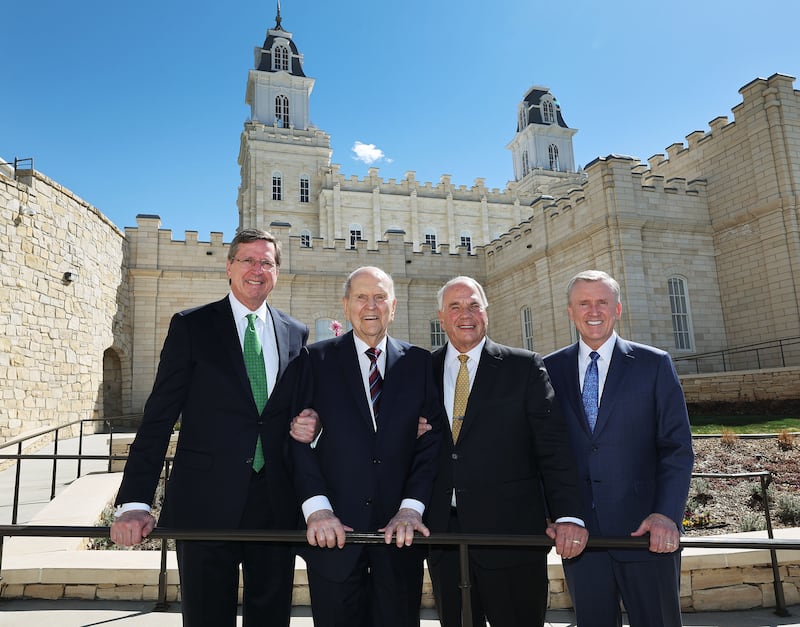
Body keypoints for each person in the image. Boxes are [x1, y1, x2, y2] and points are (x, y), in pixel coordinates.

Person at [110, 228, 317, 627]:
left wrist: (314, 420)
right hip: (204, 504)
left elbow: (295, 409)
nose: (258, 270)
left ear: (277, 272)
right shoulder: (192, 326)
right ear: (229, 267)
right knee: (206, 617)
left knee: (271, 617)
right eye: (248, 260)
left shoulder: (295, 333)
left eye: (267, 262)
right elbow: (158, 418)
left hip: (274, 503)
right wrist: (135, 503)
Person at [425, 275, 587, 627]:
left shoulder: (524, 367)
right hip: (445, 539)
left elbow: (553, 447)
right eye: (455, 307)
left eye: (473, 305)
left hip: (511, 537)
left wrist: (568, 515)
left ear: (486, 312)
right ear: (442, 317)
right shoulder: (423, 369)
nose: (465, 314)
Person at [288, 266, 443, 627]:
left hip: (398, 536)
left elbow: (431, 441)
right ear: (346, 305)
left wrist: (411, 509)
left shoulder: (419, 363)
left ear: (394, 305)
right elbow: (296, 441)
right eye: (361, 297)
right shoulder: (316, 360)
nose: (370, 305)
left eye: (379, 297)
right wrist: (317, 510)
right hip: (333, 535)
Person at [543, 270, 694, 627]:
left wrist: (666, 514)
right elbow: (543, 450)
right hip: (581, 537)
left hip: (646, 533)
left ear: (618, 309)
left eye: (602, 302)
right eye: (584, 303)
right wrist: (555, 515)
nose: (593, 310)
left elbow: (677, 447)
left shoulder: (654, 364)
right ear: (570, 311)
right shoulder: (549, 369)